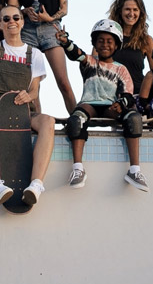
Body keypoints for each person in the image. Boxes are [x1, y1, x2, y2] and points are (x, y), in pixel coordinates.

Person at [0, 0, 55, 208]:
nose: (12, 21)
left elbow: (35, 89)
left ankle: (36, 184)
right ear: (0, 24)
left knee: (48, 122)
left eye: (16, 18)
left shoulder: (34, 54)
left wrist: (29, 96)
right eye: (6, 19)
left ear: (22, 22)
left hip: (23, 110)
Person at [59, 19, 148, 191]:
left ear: (117, 45)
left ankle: (134, 171)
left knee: (134, 118)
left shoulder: (121, 69)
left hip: (110, 107)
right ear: (94, 43)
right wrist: (65, 42)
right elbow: (75, 53)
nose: (105, 44)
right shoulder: (89, 61)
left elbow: (128, 94)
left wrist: (121, 104)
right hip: (90, 105)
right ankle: (78, 169)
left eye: (109, 41)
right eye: (100, 41)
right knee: (76, 119)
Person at [14, 0, 75, 114]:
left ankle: (77, 120)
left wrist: (49, 18)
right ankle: (36, 120)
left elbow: (64, 9)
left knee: (63, 81)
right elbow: (14, 9)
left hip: (51, 29)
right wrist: (25, 11)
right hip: (28, 30)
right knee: (31, 84)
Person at [107, 0, 153, 91]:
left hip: (136, 94)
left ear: (140, 12)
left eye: (135, 10)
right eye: (127, 9)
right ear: (120, 11)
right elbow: (93, 66)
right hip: (109, 94)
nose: (131, 13)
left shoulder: (146, 40)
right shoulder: (107, 37)